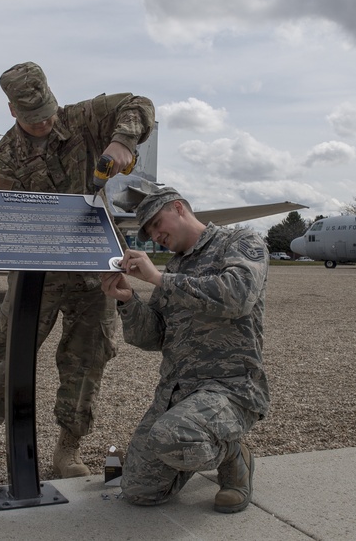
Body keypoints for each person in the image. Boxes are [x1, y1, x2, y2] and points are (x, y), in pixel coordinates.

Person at [0, 62, 156, 480]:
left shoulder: (83, 118)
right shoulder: (7, 156)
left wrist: (124, 141)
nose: (43, 124)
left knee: (87, 359)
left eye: (47, 114)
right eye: (32, 120)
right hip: (37, 274)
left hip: (97, 270)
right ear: (11, 111)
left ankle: (68, 450)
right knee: (6, 355)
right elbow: (12, 221)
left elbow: (138, 104)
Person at [99, 186, 270, 513]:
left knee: (174, 435)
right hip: (177, 392)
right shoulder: (175, 267)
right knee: (138, 491)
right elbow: (154, 336)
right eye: (147, 231)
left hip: (231, 388)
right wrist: (127, 299)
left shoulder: (240, 242)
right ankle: (193, 446)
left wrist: (160, 280)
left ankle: (234, 456)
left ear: (178, 208)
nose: (154, 235)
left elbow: (237, 297)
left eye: (156, 223)